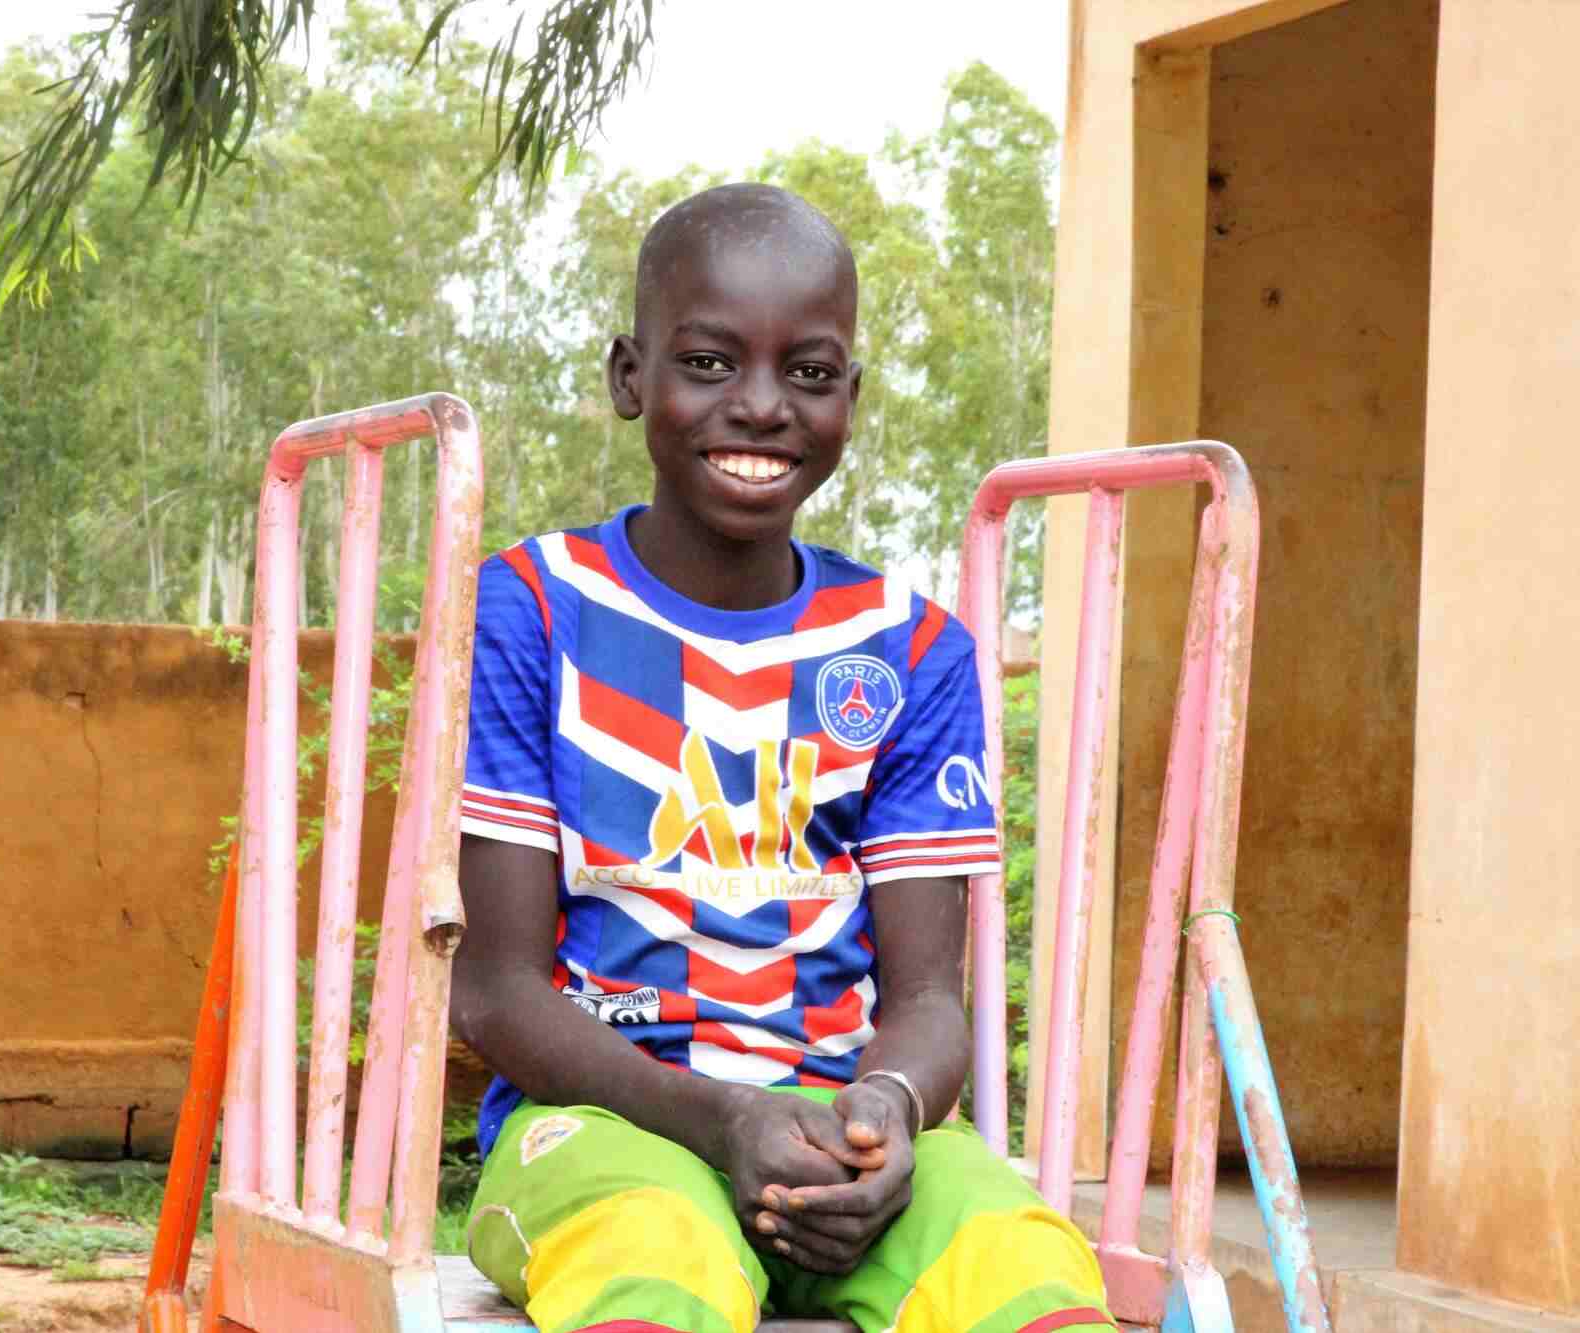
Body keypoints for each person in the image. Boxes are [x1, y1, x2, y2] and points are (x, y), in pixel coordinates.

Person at [451, 182, 1114, 1333]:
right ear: (629, 377)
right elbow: (496, 992)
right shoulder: (534, 608)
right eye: (709, 362)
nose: (759, 407)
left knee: (1020, 1257)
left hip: (832, 1138)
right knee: (651, 1257)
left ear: (849, 399)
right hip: (607, 1129)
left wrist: (887, 1111)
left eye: (807, 374)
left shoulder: (910, 648)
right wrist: (721, 1122)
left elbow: (928, 1001)